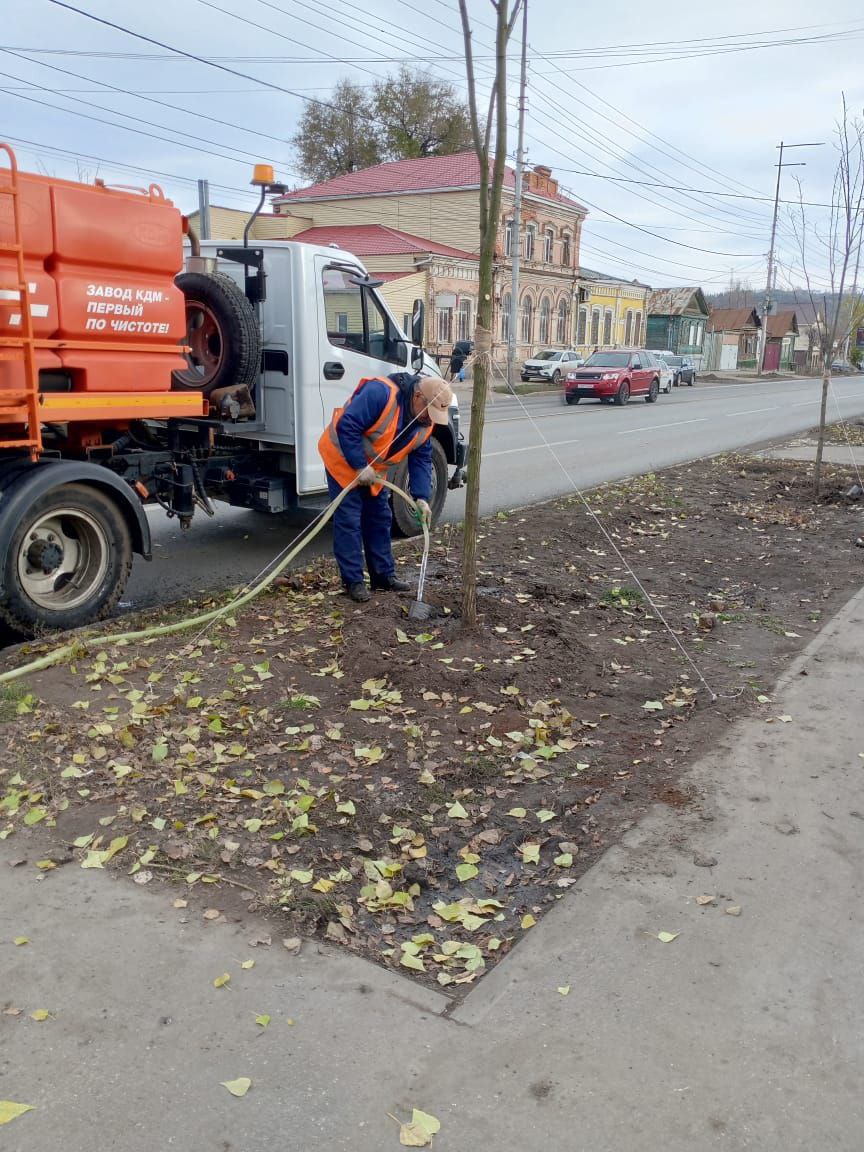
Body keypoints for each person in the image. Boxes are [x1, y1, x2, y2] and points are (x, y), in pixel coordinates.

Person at [318, 372, 453, 602]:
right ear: (417, 395)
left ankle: (382, 577)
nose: (429, 418)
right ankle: (353, 582)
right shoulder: (381, 393)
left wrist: (421, 497)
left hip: (373, 472)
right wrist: (359, 466)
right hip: (343, 459)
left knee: (380, 517)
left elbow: (421, 458)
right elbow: (347, 425)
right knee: (349, 520)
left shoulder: (425, 422)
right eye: (428, 411)